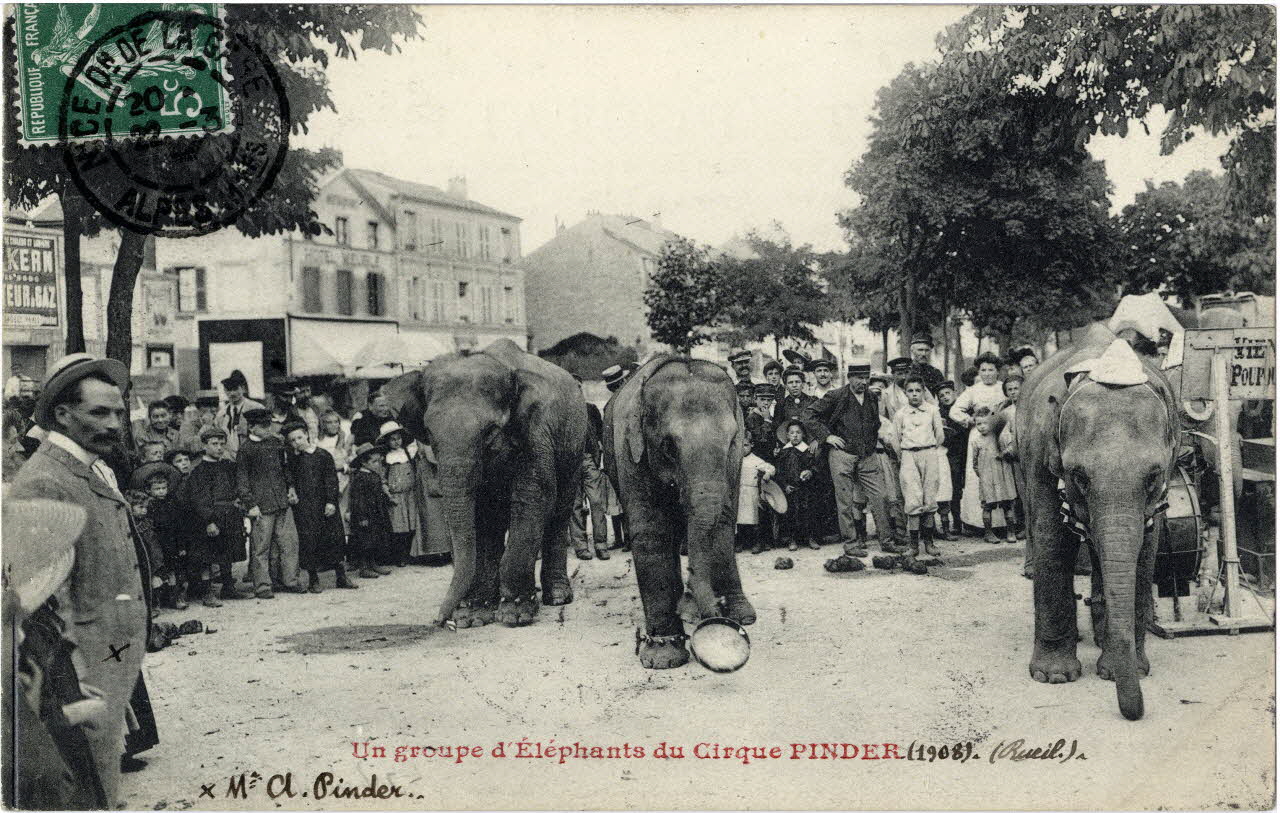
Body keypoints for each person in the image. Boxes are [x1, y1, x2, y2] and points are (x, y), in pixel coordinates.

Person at [7, 353, 151, 805]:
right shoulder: (46, 482)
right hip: (79, 671)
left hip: (110, 656)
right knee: (81, 786)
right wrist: (72, 686)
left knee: (103, 775)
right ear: (62, 415)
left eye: (119, 413)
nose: (114, 424)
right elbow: (33, 606)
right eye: (99, 413)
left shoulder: (86, 470)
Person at [4, 497, 111, 809]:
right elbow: (20, 720)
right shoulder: (16, 637)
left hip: (62, 736)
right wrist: (78, 711)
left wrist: (76, 691)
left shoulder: (35, 617)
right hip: (46, 755)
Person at [802, 358, 898, 557]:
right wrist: (827, 436)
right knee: (845, 502)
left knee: (880, 497)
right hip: (842, 455)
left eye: (867, 378)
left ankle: (887, 541)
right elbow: (809, 415)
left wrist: (871, 445)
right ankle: (851, 543)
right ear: (850, 377)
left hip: (867, 456)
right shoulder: (835, 396)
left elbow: (875, 424)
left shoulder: (872, 397)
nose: (863, 382)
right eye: (859, 378)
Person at [179, 428, 254, 605]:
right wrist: (209, 521)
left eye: (222, 444)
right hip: (212, 518)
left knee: (228, 553)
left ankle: (229, 588)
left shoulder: (227, 466)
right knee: (209, 555)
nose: (219, 447)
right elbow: (200, 499)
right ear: (204, 446)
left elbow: (236, 487)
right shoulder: (199, 472)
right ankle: (207, 593)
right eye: (214, 444)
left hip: (230, 515)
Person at [236, 408, 303, 598]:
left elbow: (285, 468)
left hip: (282, 501)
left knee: (289, 543)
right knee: (261, 548)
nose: (268, 429)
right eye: (263, 426)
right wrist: (250, 504)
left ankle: (291, 581)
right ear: (251, 427)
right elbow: (242, 481)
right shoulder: (245, 450)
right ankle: (263, 585)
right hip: (261, 506)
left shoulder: (276, 443)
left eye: (269, 425)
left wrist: (290, 487)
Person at [284, 422, 357, 592]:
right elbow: (290, 478)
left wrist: (331, 501)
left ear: (307, 436)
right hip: (305, 507)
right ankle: (313, 579)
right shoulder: (293, 460)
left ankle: (341, 576)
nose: (297, 442)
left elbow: (331, 479)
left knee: (335, 538)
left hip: (325, 504)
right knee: (309, 541)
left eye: (300, 437)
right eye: (293, 440)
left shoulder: (322, 455)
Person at [949, 352, 1010, 534]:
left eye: (991, 370)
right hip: (979, 436)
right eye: (983, 370)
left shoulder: (1003, 388)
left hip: (1000, 434)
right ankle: (976, 523)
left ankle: (1005, 523)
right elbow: (955, 410)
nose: (987, 374)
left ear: (998, 371)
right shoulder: (973, 390)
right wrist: (970, 421)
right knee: (979, 475)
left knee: (1001, 475)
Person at [891, 376, 945, 557]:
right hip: (908, 455)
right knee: (913, 499)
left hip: (929, 454)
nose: (914, 394)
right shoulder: (900, 414)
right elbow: (895, 440)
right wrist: (906, 455)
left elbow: (940, 435)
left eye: (918, 391)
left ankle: (929, 542)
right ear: (905, 393)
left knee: (929, 497)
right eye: (910, 391)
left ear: (923, 392)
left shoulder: (932, 411)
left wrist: (928, 450)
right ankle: (913, 545)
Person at [570, 379, 610, 561]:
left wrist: (599, 459)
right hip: (570, 463)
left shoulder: (591, 409)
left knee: (597, 502)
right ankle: (580, 546)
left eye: (579, 387)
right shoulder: (564, 411)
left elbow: (602, 435)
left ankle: (601, 545)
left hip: (589, 459)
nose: (577, 391)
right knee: (575, 505)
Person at [347, 442, 394, 578]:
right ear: (364, 463)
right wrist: (362, 517)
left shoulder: (374, 475)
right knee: (364, 541)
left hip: (376, 513)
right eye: (374, 462)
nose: (378, 464)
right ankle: (363, 567)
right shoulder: (359, 478)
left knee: (375, 539)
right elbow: (357, 500)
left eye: (379, 461)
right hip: (365, 515)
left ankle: (373, 563)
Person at [972, 406, 1017, 544]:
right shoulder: (977, 441)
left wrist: (1003, 453)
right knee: (987, 505)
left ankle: (1010, 531)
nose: (982, 427)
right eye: (978, 424)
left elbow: (1012, 448)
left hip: (1003, 475)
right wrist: (983, 475)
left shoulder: (1001, 436)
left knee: (1007, 503)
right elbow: (975, 462)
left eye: (985, 423)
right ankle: (988, 533)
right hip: (987, 477)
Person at [378, 420, 419, 567]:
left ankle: (410, 554)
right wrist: (388, 494)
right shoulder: (386, 459)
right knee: (398, 527)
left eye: (398, 438)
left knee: (411, 525)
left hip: (410, 495)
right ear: (387, 441)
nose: (397, 442)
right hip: (396, 497)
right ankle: (399, 555)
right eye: (393, 440)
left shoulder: (407, 453)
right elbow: (382, 478)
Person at [775, 419, 820, 551]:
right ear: (787, 435)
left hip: (806, 488)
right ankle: (792, 539)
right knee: (791, 513)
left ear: (803, 435)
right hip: (790, 488)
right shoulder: (783, 452)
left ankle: (810, 538)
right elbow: (779, 472)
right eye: (792, 433)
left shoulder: (808, 451)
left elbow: (815, 467)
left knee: (808, 512)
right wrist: (784, 486)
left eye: (798, 433)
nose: (795, 435)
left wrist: (810, 472)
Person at [998, 375, 1027, 544]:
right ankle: (1022, 526)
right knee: (1018, 493)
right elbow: (1003, 435)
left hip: (1030, 455)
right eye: (1010, 389)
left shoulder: (1031, 409)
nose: (1014, 392)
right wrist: (1008, 448)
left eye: (1017, 388)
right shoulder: (1007, 413)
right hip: (1015, 458)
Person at [936, 380, 966, 540]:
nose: (945, 397)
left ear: (954, 393)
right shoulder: (939, 414)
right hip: (949, 454)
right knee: (953, 488)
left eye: (948, 393)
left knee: (965, 485)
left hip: (964, 451)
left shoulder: (961, 409)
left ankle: (968, 520)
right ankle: (956, 522)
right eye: (941, 396)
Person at [737, 445, 776, 555]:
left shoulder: (756, 460)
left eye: (745, 445)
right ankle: (740, 542)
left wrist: (767, 473)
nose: (742, 448)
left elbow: (771, 468)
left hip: (751, 491)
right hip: (738, 491)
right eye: (740, 445)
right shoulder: (735, 459)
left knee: (753, 518)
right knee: (739, 518)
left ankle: (757, 542)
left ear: (752, 445)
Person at [217, 370, 264, 459]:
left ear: (242, 388)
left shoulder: (257, 408)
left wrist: (247, 430)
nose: (232, 393)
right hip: (228, 460)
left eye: (235, 389)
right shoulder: (221, 414)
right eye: (228, 390)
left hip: (253, 458)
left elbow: (267, 433)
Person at [774, 366, 815, 442]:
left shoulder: (813, 401)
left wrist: (817, 440)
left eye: (797, 382)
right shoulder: (781, 404)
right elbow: (778, 428)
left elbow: (820, 424)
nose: (794, 385)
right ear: (786, 386)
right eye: (790, 382)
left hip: (811, 444)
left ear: (802, 384)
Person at [178, 389, 221, 454]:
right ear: (199, 409)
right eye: (207, 405)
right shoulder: (187, 425)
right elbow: (192, 447)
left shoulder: (221, 421)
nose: (213, 409)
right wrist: (206, 426)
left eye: (215, 405)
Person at [746, 383, 778, 464]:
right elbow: (761, 440)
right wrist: (766, 420)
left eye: (769, 400)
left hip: (770, 458)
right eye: (762, 399)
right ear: (755, 399)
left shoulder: (770, 416)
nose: (766, 403)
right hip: (757, 458)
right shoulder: (751, 418)